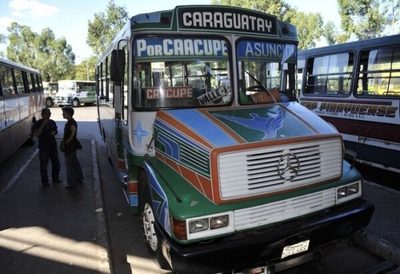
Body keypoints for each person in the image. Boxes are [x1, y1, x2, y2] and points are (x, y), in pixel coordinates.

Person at [33, 108, 62, 187]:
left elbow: (56, 131)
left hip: (53, 146)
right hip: (43, 148)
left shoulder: (52, 122)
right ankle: (45, 182)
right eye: (46, 114)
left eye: (49, 114)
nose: (48, 115)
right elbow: (37, 134)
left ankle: (55, 179)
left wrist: (54, 132)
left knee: (56, 164)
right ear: (42, 115)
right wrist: (43, 125)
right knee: (44, 166)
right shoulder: (38, 123)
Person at [61, 106, 83, 189]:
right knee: (74, 162)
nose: (62, 114)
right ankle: (79, 177)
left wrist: (68, 141)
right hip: (72, 146)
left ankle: (71, 182)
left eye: (64, 113)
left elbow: (73, 131)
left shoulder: (71, 123)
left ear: (68, 114)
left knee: (69, 164)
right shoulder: (70, 122)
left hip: (70, 147)